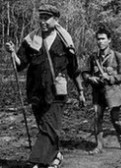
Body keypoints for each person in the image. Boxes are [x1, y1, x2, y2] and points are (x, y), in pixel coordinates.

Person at [5, 4, 85, 168]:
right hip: (36, 91)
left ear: (56, 20)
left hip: (57, 91)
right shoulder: (31, 40)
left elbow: (74, 69)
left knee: (48, 125)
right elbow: (20, 65)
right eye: (40, 17)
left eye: (46, 18)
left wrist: (81, 91)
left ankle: (36, 160)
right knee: (47, 126)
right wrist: (13, 52)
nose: (42, 21)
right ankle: (55, 157)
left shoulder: (65, 41)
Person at [81, 25, 121, 154]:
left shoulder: (118, 56)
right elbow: (85, 72)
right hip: (98, 92)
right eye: (98, 39)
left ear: (109, 40)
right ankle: (99, 146)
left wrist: (110, 78)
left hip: (113, 92)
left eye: (103, 39)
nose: (100, 42)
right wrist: (90, 78)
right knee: (97, 117)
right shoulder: (93, 57)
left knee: (115, 118)